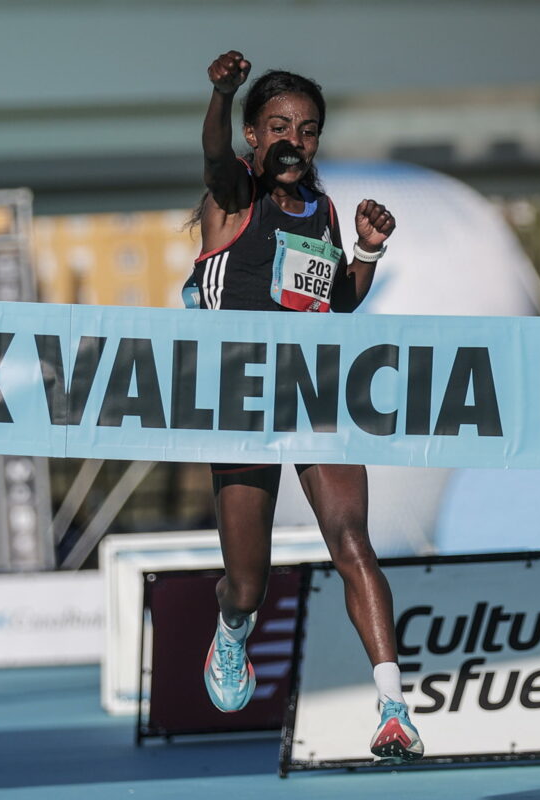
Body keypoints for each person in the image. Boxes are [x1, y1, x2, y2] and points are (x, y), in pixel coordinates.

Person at [189, 51, 422, 763]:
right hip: (240, 398)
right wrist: (223, 95)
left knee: (353, 543)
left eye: (309, 128)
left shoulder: (320, 211)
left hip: (316, 393)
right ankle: (231, 633)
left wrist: (367, 251)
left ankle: (393, 706)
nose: (295, 138)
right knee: (249, 583)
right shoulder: (231, 196)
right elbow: (211, 154)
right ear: (256, 137)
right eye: (279, 126)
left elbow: (337, 304)